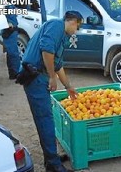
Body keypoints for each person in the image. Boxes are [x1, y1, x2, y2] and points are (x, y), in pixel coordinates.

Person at [19, 11, 83, 172]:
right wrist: (52, 78)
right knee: (45, 119)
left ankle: (51, 158)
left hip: (40, 76)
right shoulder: (56, 25)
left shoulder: (62, 36)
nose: (77, 30)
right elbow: (47, 51)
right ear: (73, 21)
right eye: (78, 26)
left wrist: (68, 86)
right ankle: (53, 165)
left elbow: (57, 64)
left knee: (46, 119)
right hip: (34, 77)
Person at [1, 0, 21, 79]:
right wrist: (7, 23)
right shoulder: (2, 1)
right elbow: (0, 15)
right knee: (13, 53)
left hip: (13, 30)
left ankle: (12, 74)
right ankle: (16, 73)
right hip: (8, 31)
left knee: (11, 53)